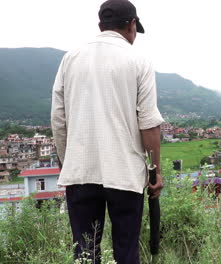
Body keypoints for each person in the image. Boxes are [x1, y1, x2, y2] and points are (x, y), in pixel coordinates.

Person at [51, 0, 164, 263]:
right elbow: (149, 124)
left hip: (80, 172)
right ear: (132, 24)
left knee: (86, 252)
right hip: (124, 175)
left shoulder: (71, 58)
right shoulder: (138, 60)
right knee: (126, 252)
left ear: (100, 25)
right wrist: (155, 171)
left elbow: (58, 118)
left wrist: (68, 163)